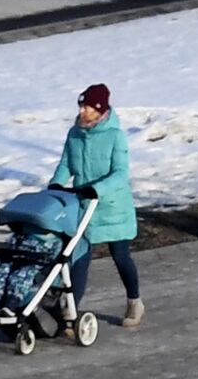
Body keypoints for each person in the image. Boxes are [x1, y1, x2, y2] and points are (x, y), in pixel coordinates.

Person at [50, 82, 143, 328]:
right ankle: (70, 312)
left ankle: (134, 302)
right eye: (82, 106)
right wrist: (56, 186)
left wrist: (97, 189)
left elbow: (120, 173)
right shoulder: (74, 134)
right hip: (84, 206)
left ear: (100, 110)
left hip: (113, 206)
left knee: (120, 255)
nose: (83, 112)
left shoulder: (115, 136)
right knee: (78, 258)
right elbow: (66, 164)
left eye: (88, 107)